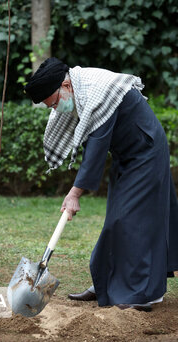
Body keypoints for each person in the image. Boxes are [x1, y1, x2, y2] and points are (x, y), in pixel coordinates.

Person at [24, 57, 178, 312]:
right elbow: (89, 137)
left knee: (132, 222)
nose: (54, 110)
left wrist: (75, 193)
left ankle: (144, 294)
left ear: (65, 85)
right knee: (115, 220)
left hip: (146, 152)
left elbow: (96, 146)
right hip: (127, 155)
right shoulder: (79, 89)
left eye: (52, 103)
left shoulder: (97, 91)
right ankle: (107, 284)